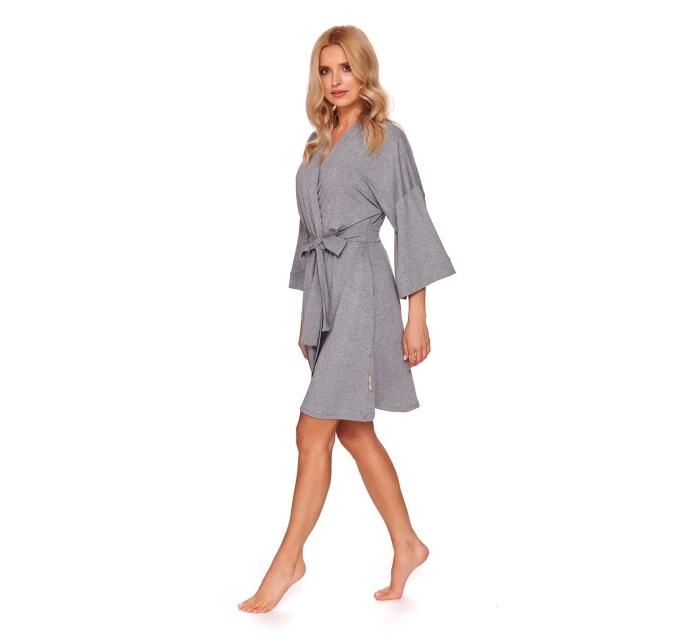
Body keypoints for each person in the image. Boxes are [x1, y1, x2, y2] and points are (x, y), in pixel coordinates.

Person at [238, 25, 456, 614]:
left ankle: (288, 560)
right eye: (325, 70)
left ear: (364, 71)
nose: (335, 80)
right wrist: (308, 315)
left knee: (312, 430)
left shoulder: (385, 139)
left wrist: (417, 315)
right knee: (354, 431)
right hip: (327, 295)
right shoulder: (317, 144)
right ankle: (407, 544)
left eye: (345, 68)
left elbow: (411, 221)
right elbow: (308, 234)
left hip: (364, 288)